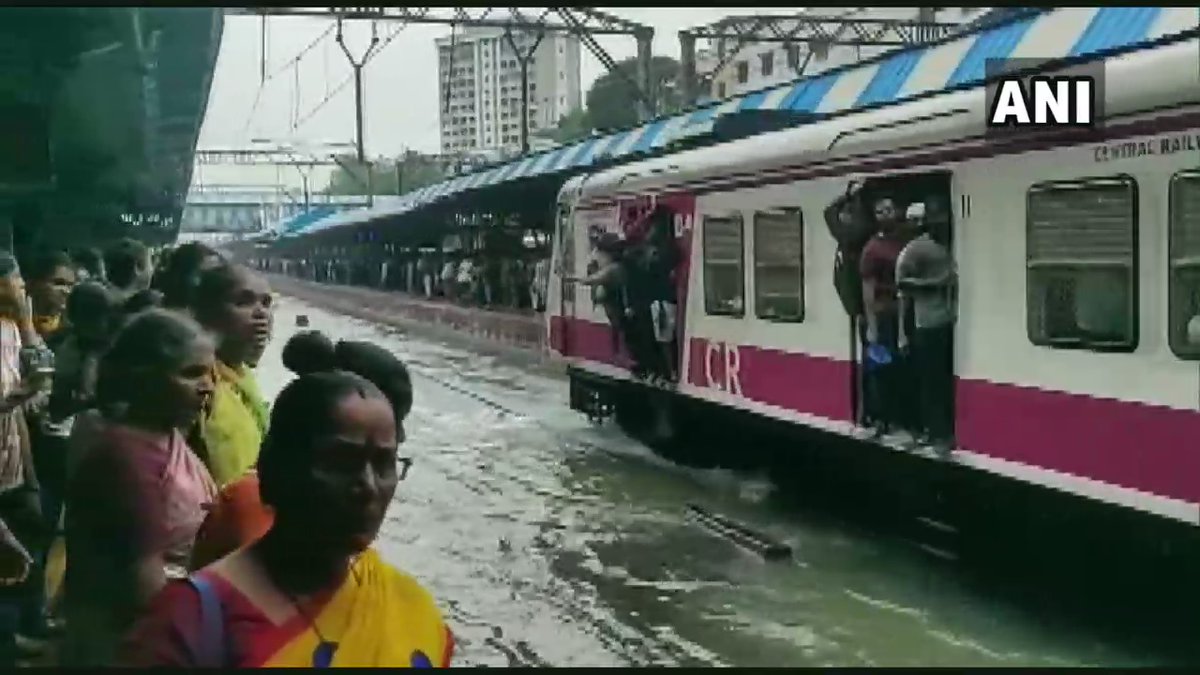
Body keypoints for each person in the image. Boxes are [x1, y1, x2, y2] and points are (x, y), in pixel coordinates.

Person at [119, 342, 452, 668]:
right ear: (277, 468)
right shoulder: (189, 625)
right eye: (341, 461)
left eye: (384, 464)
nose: (367, 486)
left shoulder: (412, 609)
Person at [61, 309, 217, 666]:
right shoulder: (126, 458)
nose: (208, 385)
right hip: (132, 644)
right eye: (191, 373)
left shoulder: (166, 437)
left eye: (209, 372)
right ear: (143, 377)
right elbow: (144, 589)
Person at [190, 330, 414, 570]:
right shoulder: (254, 510)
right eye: (346, 460)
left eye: (384, 462)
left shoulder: (345, 550)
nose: (369, 486)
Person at [189, 264, 273, 488]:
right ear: (206, 312)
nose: (261, 313)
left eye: (266, 302)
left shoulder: (240, 374)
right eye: (243, 301)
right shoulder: (194, 383)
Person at [897, 200, 957, 452]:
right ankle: (934, 434)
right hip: (927, 324)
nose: (936, 222)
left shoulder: (948, 245)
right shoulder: (914, 250)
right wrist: (938, 283)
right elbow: (902, 286)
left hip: (948, 322)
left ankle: (941, 431)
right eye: (931, 218)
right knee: (930, 383)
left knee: (942, 381)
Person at [859, 196, 914, 438]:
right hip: (882, 315)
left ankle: (899, 418)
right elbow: (868, 290)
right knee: (881, 369)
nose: (885, 214)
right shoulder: (872, 249)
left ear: (897, 211)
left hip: (903, 311)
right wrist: (871, 326)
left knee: (901, 368)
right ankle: (880, 419)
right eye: (880, 211)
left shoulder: (904, 243)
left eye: (889, 209)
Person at [103, 239, 154, 306]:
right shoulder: (145, 311)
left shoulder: (97, 302)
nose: (152, 270)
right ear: (137, 267)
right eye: (150, 264)